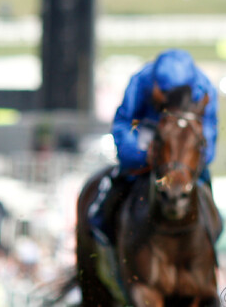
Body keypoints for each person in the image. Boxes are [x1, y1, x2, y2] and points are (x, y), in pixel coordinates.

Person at [89, 49, 218, 245]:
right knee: (123, 177)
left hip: (184, 136)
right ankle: (102, 221)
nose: (172, 99)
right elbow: (123, 123)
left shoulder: (204, 87)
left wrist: (195, 160)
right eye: (167, 94)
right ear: (157, 86)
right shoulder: (140, 81)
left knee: (201, 177)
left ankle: (213, 227)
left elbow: (209, 131)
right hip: (148, 129)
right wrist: (138, 155)